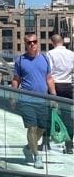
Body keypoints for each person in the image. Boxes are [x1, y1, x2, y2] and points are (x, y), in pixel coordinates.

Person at [11, 34, 55, 167]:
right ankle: (37, 157)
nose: (32, 44)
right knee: (32, 127)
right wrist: (13, 96)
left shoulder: (45, 59)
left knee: (41, 128)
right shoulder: (20, 60)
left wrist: (53, 95)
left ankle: (29, 147)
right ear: (25, 44)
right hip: (26, 99)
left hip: (42, 99)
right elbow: (16, 79)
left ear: (38, 43)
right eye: (29, 42)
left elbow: (49, 78)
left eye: (34, 42)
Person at [47, 31, 74, 154]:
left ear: (52, 43)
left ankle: (46, 142)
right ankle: (69, 144)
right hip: (67, 85)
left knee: (50, 113)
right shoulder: (71, 54)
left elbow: (49, 72)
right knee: (67, 115)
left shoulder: (50, 54)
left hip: (54, 85)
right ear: (62, 42)